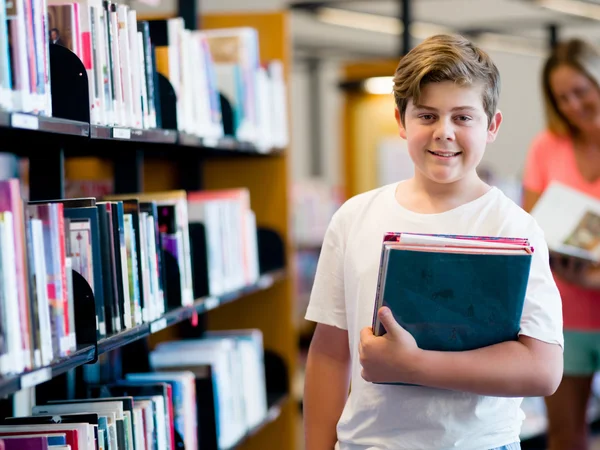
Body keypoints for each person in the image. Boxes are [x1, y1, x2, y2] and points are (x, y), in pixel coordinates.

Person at [304, 34, 564, 450]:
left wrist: (414, 365)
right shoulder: (355, 218)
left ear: (491, 126)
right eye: (427, 116)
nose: (444, 132)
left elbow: (543, 370)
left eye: (463, 117)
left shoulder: (515, 229)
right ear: (401, 120)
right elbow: (330, 354)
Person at [522, 38, 600, 450]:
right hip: (563, 316)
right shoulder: (545, 147)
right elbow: (532, 229)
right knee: (566, 437)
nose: (572, 104)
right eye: (561, 97)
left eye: (580, 91)